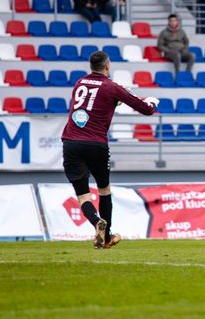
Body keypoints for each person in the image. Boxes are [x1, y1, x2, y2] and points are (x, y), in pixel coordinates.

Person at [61, 51, 159, 249]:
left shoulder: (79, 83)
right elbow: (145, 109)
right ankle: (106, 238)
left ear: (91, 66)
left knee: (83, 195)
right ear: (107, 66)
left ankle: (97, 222)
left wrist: (114, 100)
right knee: (104, 190)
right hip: (96, 144)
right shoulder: (111, 86)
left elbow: (90, 105)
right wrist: (152, 102)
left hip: (71, 142)